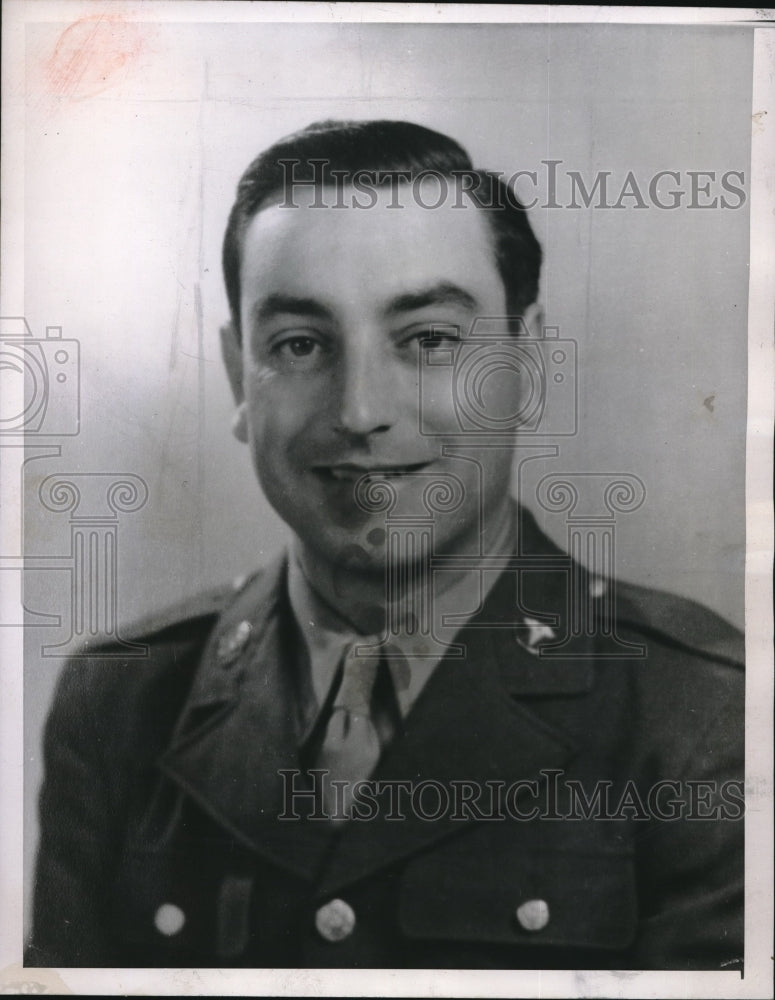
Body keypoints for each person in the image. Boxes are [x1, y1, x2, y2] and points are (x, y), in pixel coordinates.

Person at [27, 120, 744, 970]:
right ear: (236, 379)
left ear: (531, 365)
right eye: (299, 345)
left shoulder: (702, 715)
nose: (359, 409)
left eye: (429, 340)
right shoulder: (120, 702)